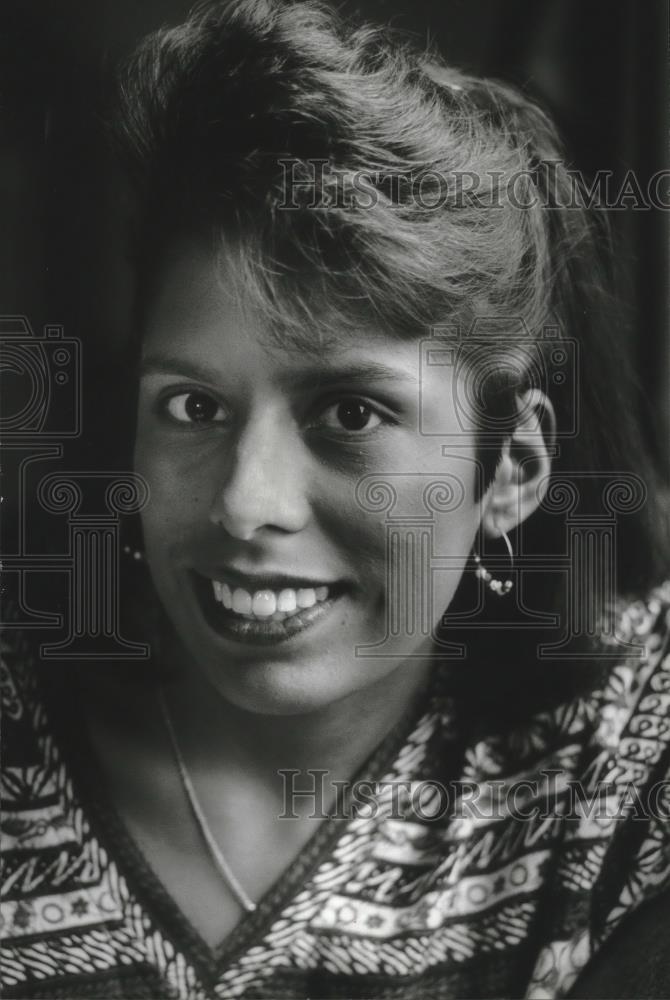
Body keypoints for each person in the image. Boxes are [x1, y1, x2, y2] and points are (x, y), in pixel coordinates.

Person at [2, 1, 669, 997]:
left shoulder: (619, 764)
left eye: (349, 413)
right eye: (192, 404)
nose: (243, 504)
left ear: (514, 466)